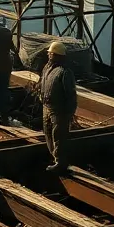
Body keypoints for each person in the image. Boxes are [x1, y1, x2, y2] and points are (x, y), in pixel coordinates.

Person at [40, 41, 77, 172]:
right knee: (48, 133)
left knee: (58, 136)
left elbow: (71, 95)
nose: (49, 55)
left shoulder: (65, 72)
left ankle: (61, 162)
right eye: (49, 53)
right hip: (46, 106)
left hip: (59, 110)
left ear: (57, 55)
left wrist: (69, 112)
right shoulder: (47, 68)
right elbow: (43, 83)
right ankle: (55, 158)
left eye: (51, 53)